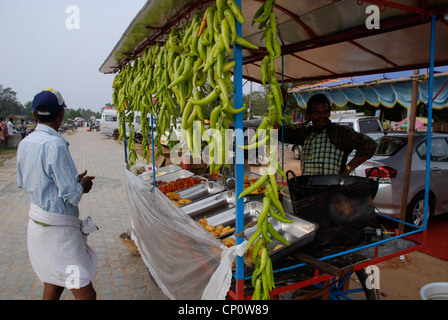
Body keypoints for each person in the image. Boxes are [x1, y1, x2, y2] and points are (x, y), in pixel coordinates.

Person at [17, 89, 97, 300]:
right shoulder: (56, 145)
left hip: (38, 226)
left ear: (34, 115)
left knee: (54, 284)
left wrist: (71, 182)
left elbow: (25, 183)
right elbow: (73, 195)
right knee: (86, 294)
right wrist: (82, 185)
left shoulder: (25, 143)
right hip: (59, 234)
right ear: (62, 114)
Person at [276, 94, 377, 175]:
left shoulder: (340, 132)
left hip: (333, 194)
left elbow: (370, 144)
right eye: (317, 112)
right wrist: (281, 104)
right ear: (309, 115)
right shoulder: (305, 133)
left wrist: (347, 169)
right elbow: (277, 133)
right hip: (308, 193)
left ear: (329, 113)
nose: (322, 116)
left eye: (325, 112)